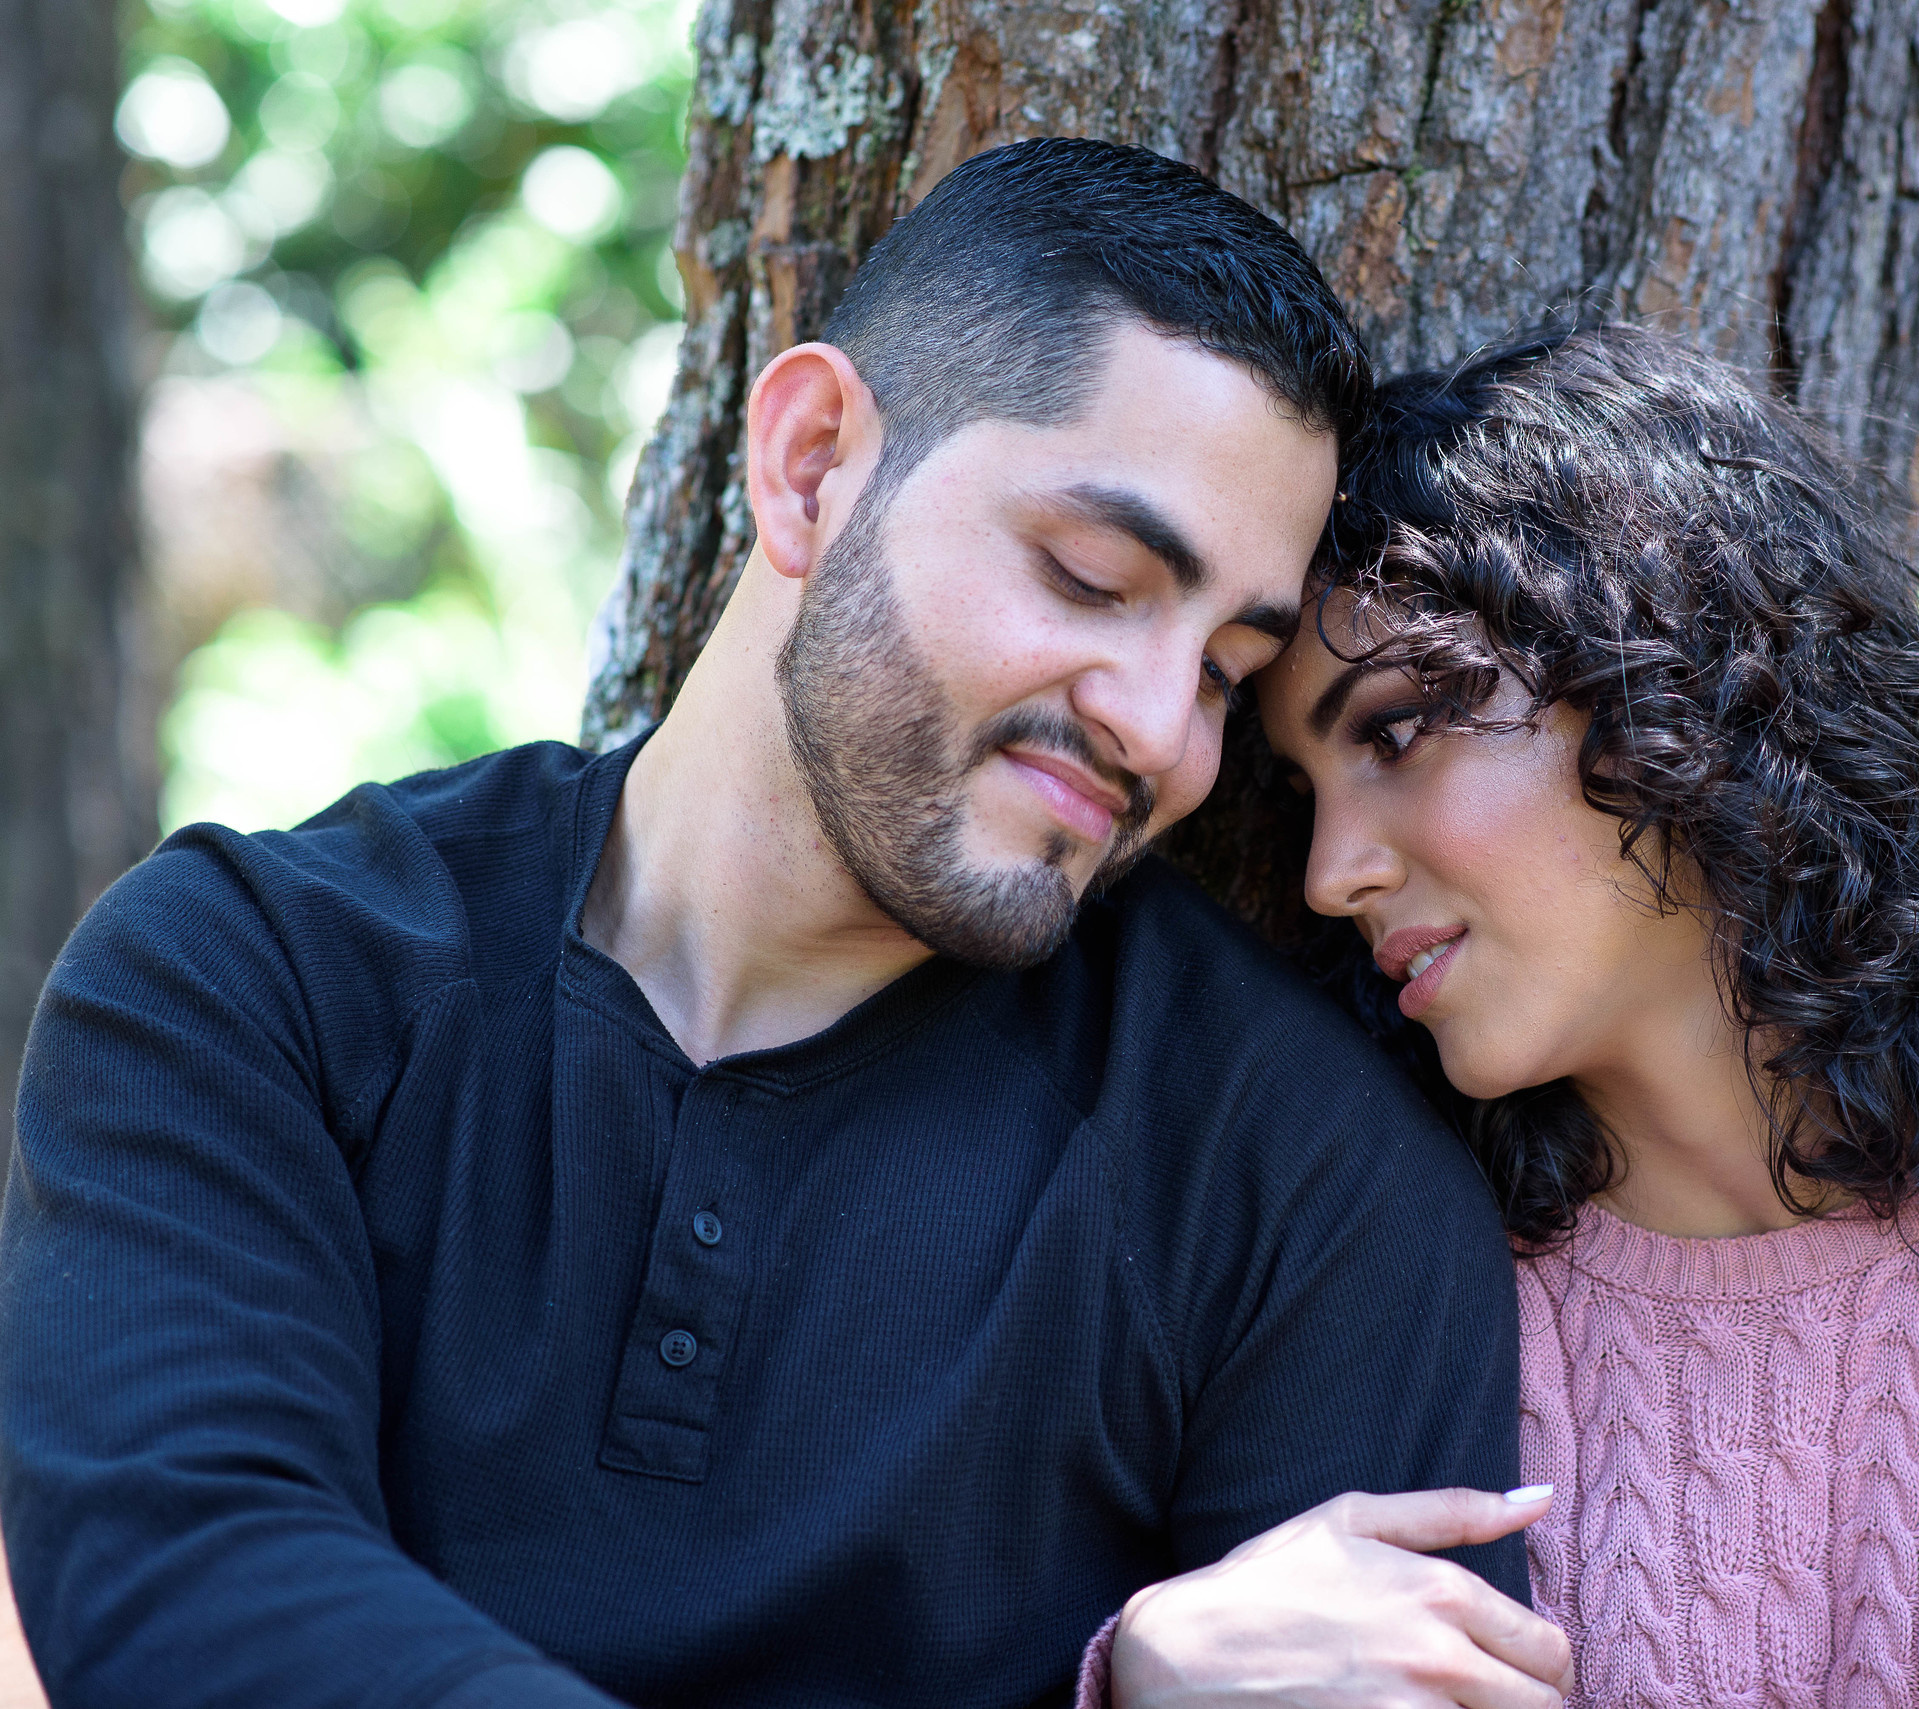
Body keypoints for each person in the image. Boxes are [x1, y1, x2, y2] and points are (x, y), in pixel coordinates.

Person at [0, 139, 1559, 1709]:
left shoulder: (1305, 1186)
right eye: (1092, 578)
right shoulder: (249, 981)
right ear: (812, 462)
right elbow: (188, 1601)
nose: (1163, 730)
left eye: (1226, 666)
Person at [1118, 323, 1919, 1705]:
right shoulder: (1393, 1279)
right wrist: (1139, 1677)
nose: (1334, 874)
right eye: (1308, 792)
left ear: (1665, 672)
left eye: (1394, 731)